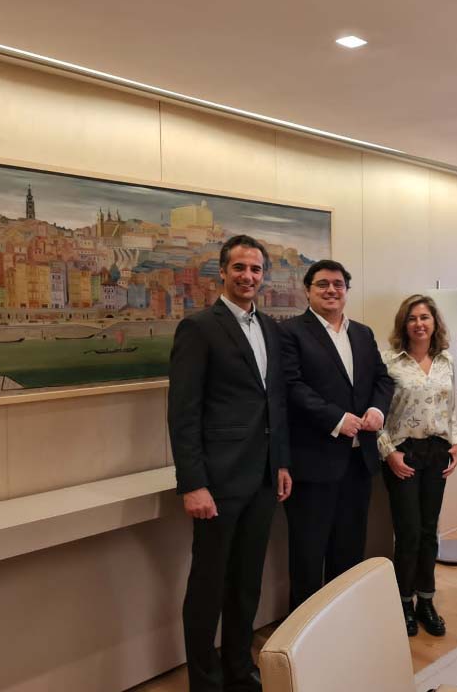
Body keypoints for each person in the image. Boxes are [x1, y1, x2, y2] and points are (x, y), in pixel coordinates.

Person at [167, 234, 292, 692]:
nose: (248, 276)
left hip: (262, 478)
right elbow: (183, 413)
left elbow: (274, 402)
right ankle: (205, 681)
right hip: (218, 482)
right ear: (222, 271)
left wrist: (281, 463)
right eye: (239, 267)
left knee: (246, 583)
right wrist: (193, 483)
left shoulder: (271, 329)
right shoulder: (199, 328)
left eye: (256, 269)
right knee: (208, 586)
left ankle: (240, 667)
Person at [279, 259, 394, 609]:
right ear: (307, 290)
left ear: (346, 290)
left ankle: (341, 623)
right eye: (322, 284)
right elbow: (291, 386)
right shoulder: (290, 332)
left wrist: (377, 411)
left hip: (359, 462)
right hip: (314, 464)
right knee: (308, 554)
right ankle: (303, 633)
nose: (331, 290)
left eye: (338, 284)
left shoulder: (362, 333)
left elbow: (382, 379)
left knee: (349, 551)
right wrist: (336, 418)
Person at [378, 294, 457, 637]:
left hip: (437, 452)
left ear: (434, 322)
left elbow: (450, 408)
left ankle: (426, 600)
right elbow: (377, 413)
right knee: (408, 532)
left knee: (429, 531)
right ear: (404, 323)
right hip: (404, 454)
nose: (419, 323)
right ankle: (403, 603)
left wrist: (456, 441)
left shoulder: (446, 360)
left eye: (425, 317)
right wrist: (389, 452)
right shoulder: (389, 362)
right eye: (412, 318)